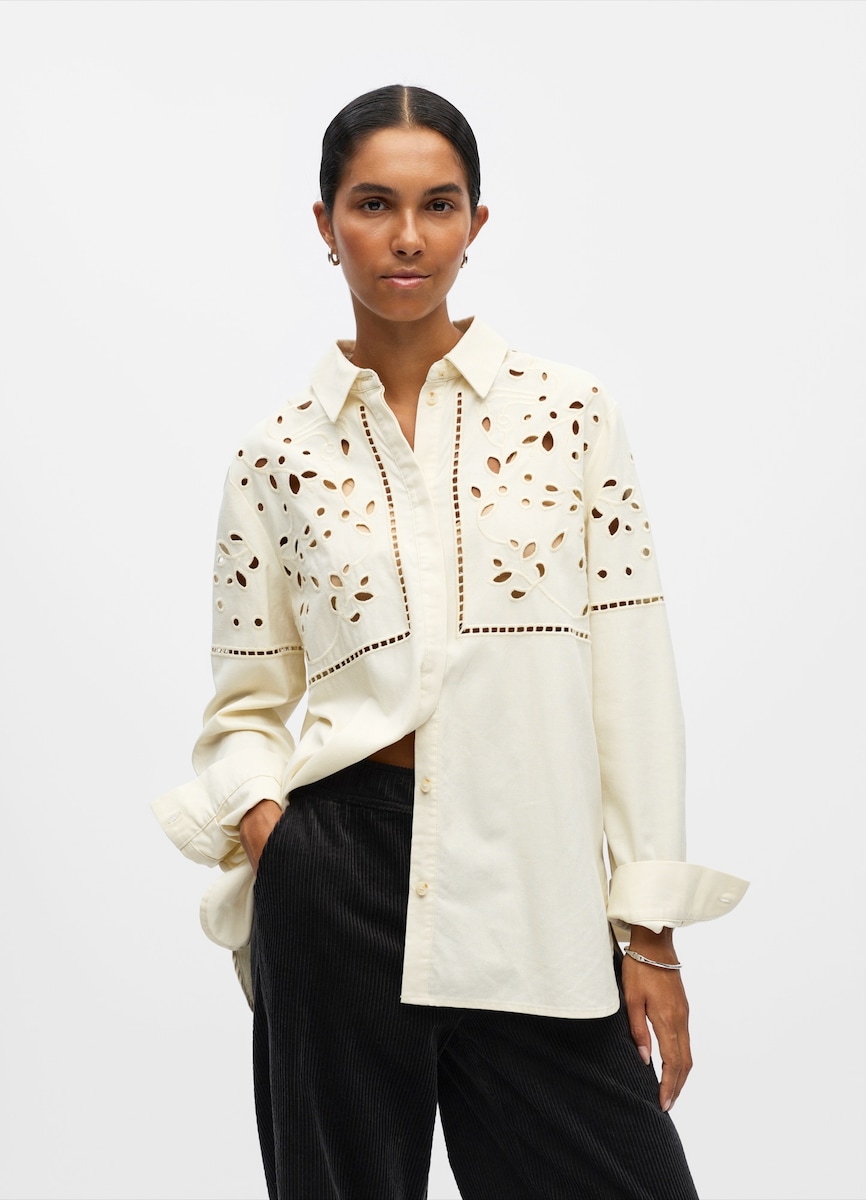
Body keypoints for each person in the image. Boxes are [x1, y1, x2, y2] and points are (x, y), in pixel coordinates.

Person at [152, 83, 748, 1200]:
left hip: (534, 884)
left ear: (477, 222)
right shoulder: (274, 456)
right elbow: (243, 708)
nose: (408, 236)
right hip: (337, 878)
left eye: (438, 204)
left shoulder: (571, 415)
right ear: (326, 222)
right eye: (374, 203)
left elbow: (631, 676)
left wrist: (650, 932)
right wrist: (278, 838)